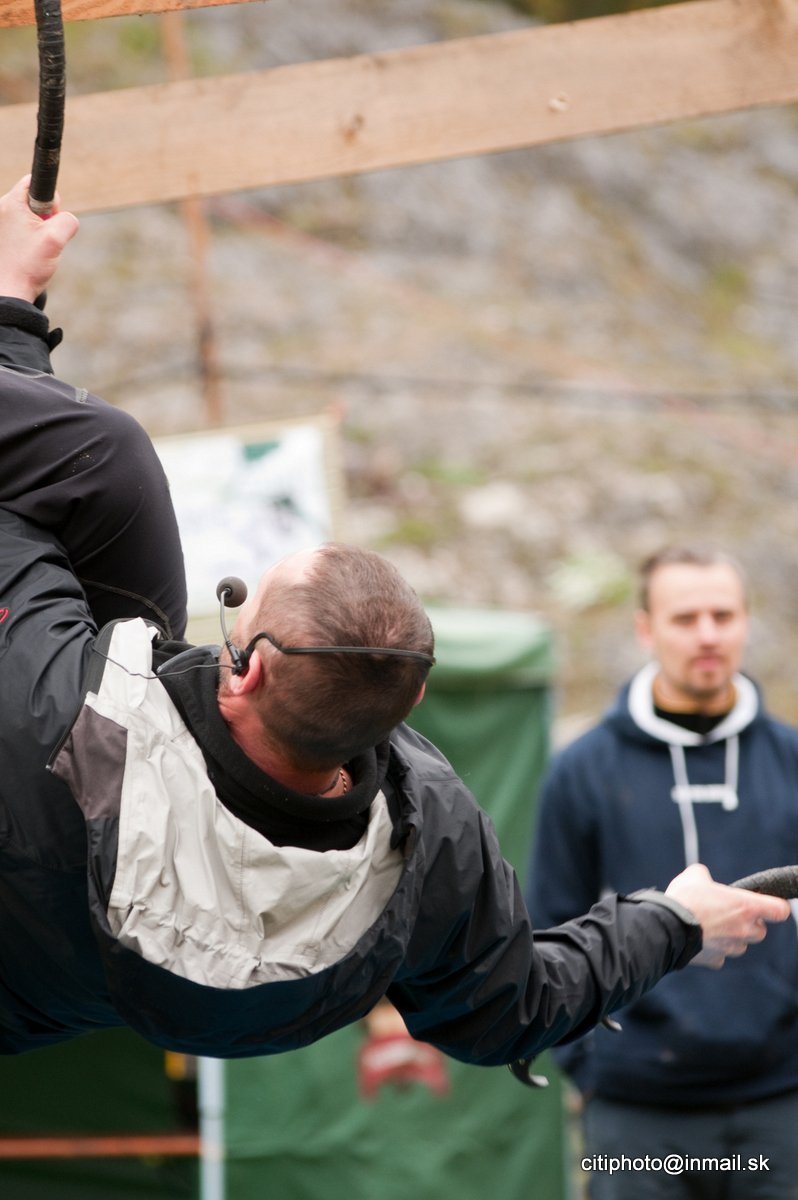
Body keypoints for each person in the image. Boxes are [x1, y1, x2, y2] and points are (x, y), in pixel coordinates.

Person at [0, 177, 788, 1069]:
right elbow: (518, 1005)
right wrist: (676, 922)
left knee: (105, 451)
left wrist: (11, 303)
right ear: (406, 707)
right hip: (59, 999)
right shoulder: (427, 840)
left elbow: (48, 469)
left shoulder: (49, 710)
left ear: (247, 669)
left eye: (236, 613)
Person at [527, 546, 798, 1198]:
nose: (707, 634)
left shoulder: (791, 760)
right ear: (645, 629)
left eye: (722, 615)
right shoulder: (582, 770)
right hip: (636, 1110)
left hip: (781, 1103)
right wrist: (588, 1064)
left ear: (745, 621)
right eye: (685, 618)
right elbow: (550, 929)